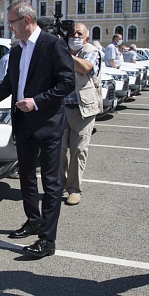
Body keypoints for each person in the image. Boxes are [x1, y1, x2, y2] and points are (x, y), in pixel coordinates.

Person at [0, 0, 75, 258]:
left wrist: (37, 101)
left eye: (11, 22)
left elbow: (68, 83)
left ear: (26, 20)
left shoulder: (53, 44)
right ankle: (33, 221)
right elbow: (8, 85)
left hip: (49, 124)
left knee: (51, 183)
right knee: (26, 177)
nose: (9, 27)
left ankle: (48, 239)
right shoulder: (18, 51)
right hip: (22, 124)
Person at [61, 23, 102, 206]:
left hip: (83, 109)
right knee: (58, 150)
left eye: (79, 34)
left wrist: (63, 54)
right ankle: (59, 184)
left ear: (86, 37)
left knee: (79, 150)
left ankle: (74, 189)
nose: (75, 36)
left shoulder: (91, 51)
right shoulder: (61, 49)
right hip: (60, 108)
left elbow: (85, 67)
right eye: (72, 33)